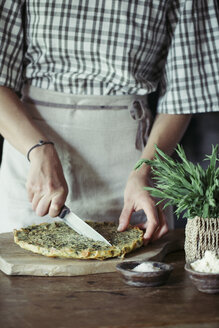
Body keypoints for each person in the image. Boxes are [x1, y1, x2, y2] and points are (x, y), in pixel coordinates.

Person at [0, 1, 218, 244]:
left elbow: (183, 93)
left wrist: (144, 171)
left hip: (132, 173)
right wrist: (38, 150)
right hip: (32, 163)